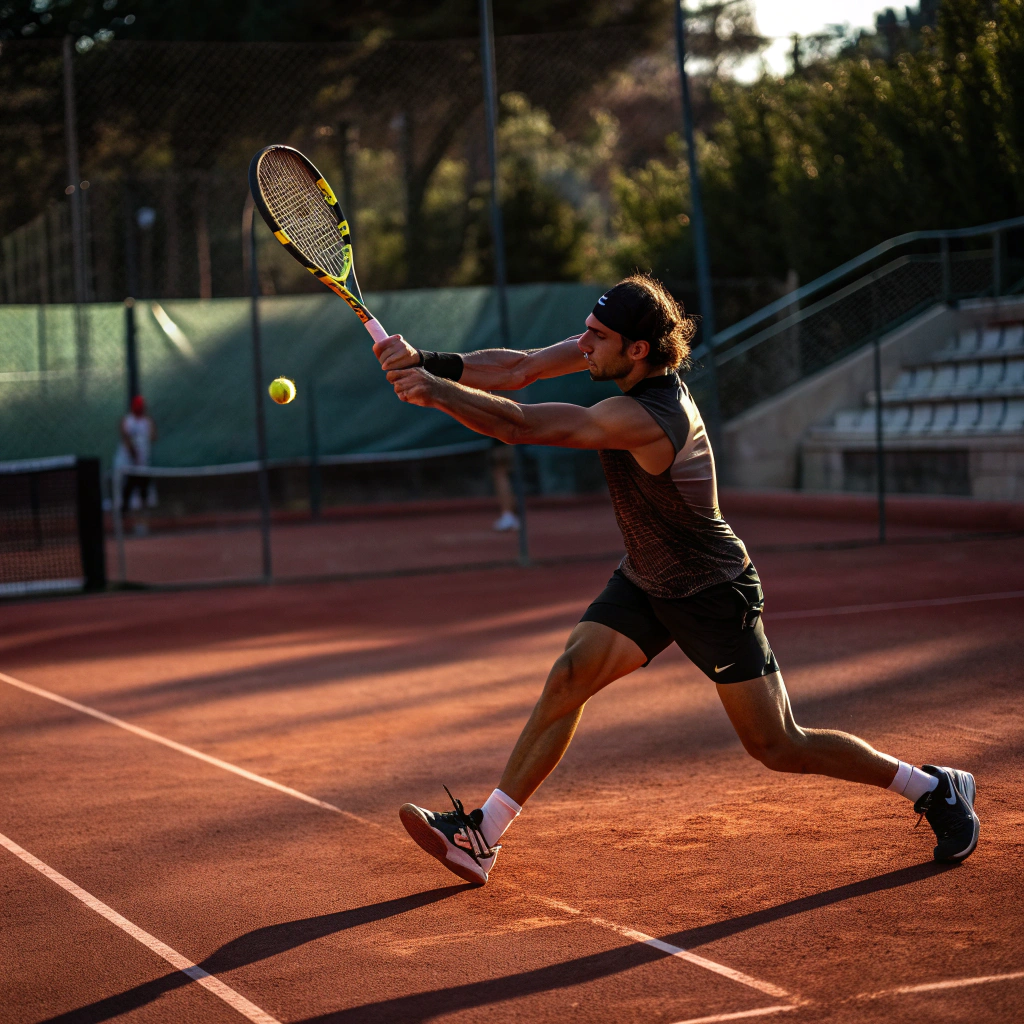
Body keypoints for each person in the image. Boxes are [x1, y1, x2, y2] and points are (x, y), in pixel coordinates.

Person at [374, 274, 980, 885]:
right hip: (646, 574)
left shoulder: (649, 417)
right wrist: (428, 361)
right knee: (569, 677)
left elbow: (521, 424)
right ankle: (484, 835)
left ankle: (933, 787)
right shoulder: (616, 356)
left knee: (777, 745)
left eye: (596, 336)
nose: (583, 344)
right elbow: (521, 369)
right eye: (586, 329)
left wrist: (434, 391)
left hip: (710, 589)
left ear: (638, 350)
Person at [114, 395, 158, 531]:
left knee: (144, 494)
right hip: (128, 467)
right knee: (126, 494)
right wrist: (134, 454)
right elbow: (125, 438)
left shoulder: (147, 421)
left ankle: (143, 524)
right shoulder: (127, 421)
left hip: (142, 467)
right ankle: (123, 526)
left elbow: (153, 436)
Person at [489, 439, 520, 532]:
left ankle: (508, 515)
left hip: (507, 438)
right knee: (503, 471)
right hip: (509, 438)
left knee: (501, 471)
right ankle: (511, 515)